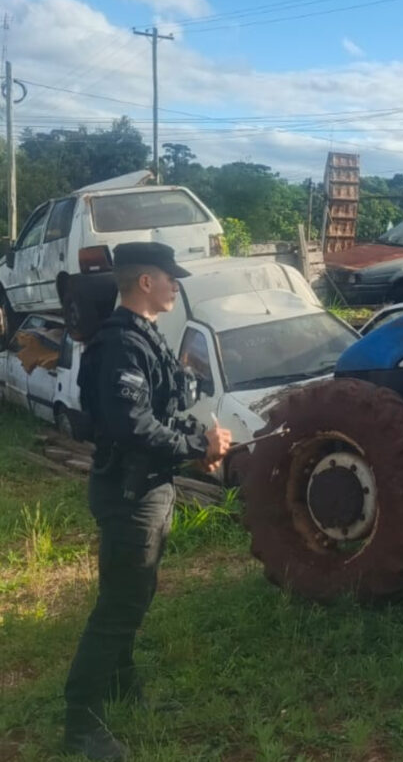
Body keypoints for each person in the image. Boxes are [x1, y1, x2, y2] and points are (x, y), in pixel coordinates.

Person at [62, 242, 232, 760]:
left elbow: (162, 408)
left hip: (149, 487)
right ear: (144, 283)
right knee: (119, 606)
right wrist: (193, 448)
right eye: (169, 278)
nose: (175, 285)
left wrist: (198, 440)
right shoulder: (120, 345)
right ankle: (80, 724)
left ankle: (121, 687)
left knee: (130, 597)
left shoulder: (143, 337)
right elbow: (130, 426)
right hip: (129, 493)